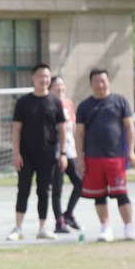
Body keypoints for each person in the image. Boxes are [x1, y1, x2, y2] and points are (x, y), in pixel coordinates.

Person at [75, 67, 135, 241]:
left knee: (121, 193)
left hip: (115, 157)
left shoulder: (120, 101)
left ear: (108, 81)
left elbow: (129, 127)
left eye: (103, 81)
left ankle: (129, 227)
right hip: (92, 158)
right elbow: (79, 133)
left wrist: (130, 151)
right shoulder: (84, 106)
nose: (100, 85)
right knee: (99, 195)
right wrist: (80, 158)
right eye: (96, 81)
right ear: (90, 83)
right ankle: (105, 227)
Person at [7, 64, 67, 241]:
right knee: (23, 190)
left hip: (48, 154)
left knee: (44, 190)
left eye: (47, 77)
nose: (44, 80)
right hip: (26, 155)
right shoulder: (23, 102)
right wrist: (16, 153)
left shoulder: (55, 102)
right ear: (33, 78)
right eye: (41, 76)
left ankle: (43, 227)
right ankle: (18, 227)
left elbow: (62, 129)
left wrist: (62, 153)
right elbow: (16, 129)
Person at [49, 76, 82, 234]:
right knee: (57, 188)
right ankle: (59, 221)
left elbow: (73, 127)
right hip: (55, 152)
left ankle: (68, 213)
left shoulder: (68, 103)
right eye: (56, 85)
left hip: (70, 151)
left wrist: (78, 148)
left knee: (80, 182)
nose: (60, 88)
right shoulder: (49, 103)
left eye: (62, 85)